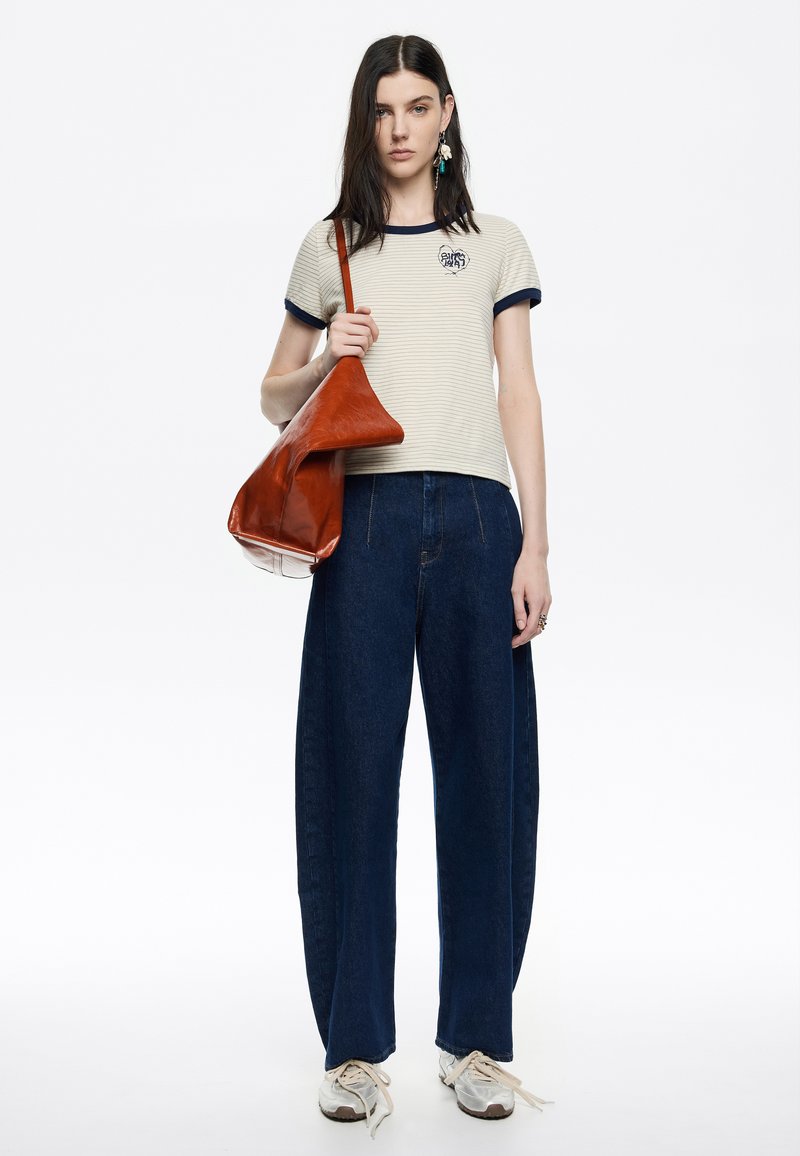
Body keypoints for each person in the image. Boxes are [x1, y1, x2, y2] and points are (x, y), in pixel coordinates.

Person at [260, 34, 553, 1138]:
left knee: (487, 779)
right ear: (364, 120)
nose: (399, 127)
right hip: (366, 526)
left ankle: (475, 1040)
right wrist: (323, 353)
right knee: (349, 779)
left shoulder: (494, 243)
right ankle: (351, 1050)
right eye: (383, 109)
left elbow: (518, 393)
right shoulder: (331, 243)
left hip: (478, 522)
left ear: (446, 117)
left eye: (418, 106)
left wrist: (535, 545)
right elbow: (271, 394)